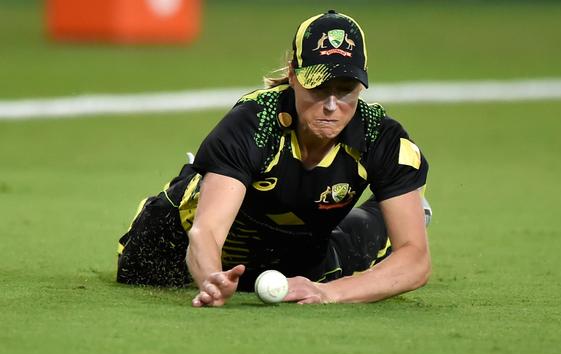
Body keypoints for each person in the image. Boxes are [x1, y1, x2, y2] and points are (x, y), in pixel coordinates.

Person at [116, 10, 431, 306]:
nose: (332, 105)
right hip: (181, 244)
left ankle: (405, 205)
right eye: (319, 87)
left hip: (299, 248)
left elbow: (416, 260)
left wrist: (326, 292)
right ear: (293, 75)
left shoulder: (380, 137)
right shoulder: (254, 124)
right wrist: (211, 279)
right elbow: (206, 231)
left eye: (346, 89)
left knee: (348, 254)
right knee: (142, 271)